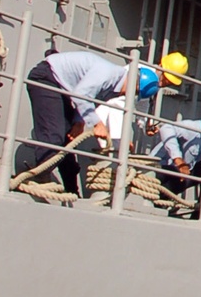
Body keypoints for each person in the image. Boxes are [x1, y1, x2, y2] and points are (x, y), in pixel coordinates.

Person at [19, 48, 188, 193]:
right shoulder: (108, 75)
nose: (126, 96)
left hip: (63, 87)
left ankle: (71, 189)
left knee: (68, 138)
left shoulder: (118, 87)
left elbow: (89, 99)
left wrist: (79, 122)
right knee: (54, 135)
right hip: (48, 77)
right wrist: (98, 124)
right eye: (132, 93)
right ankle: (39, 180)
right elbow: (81, 94)